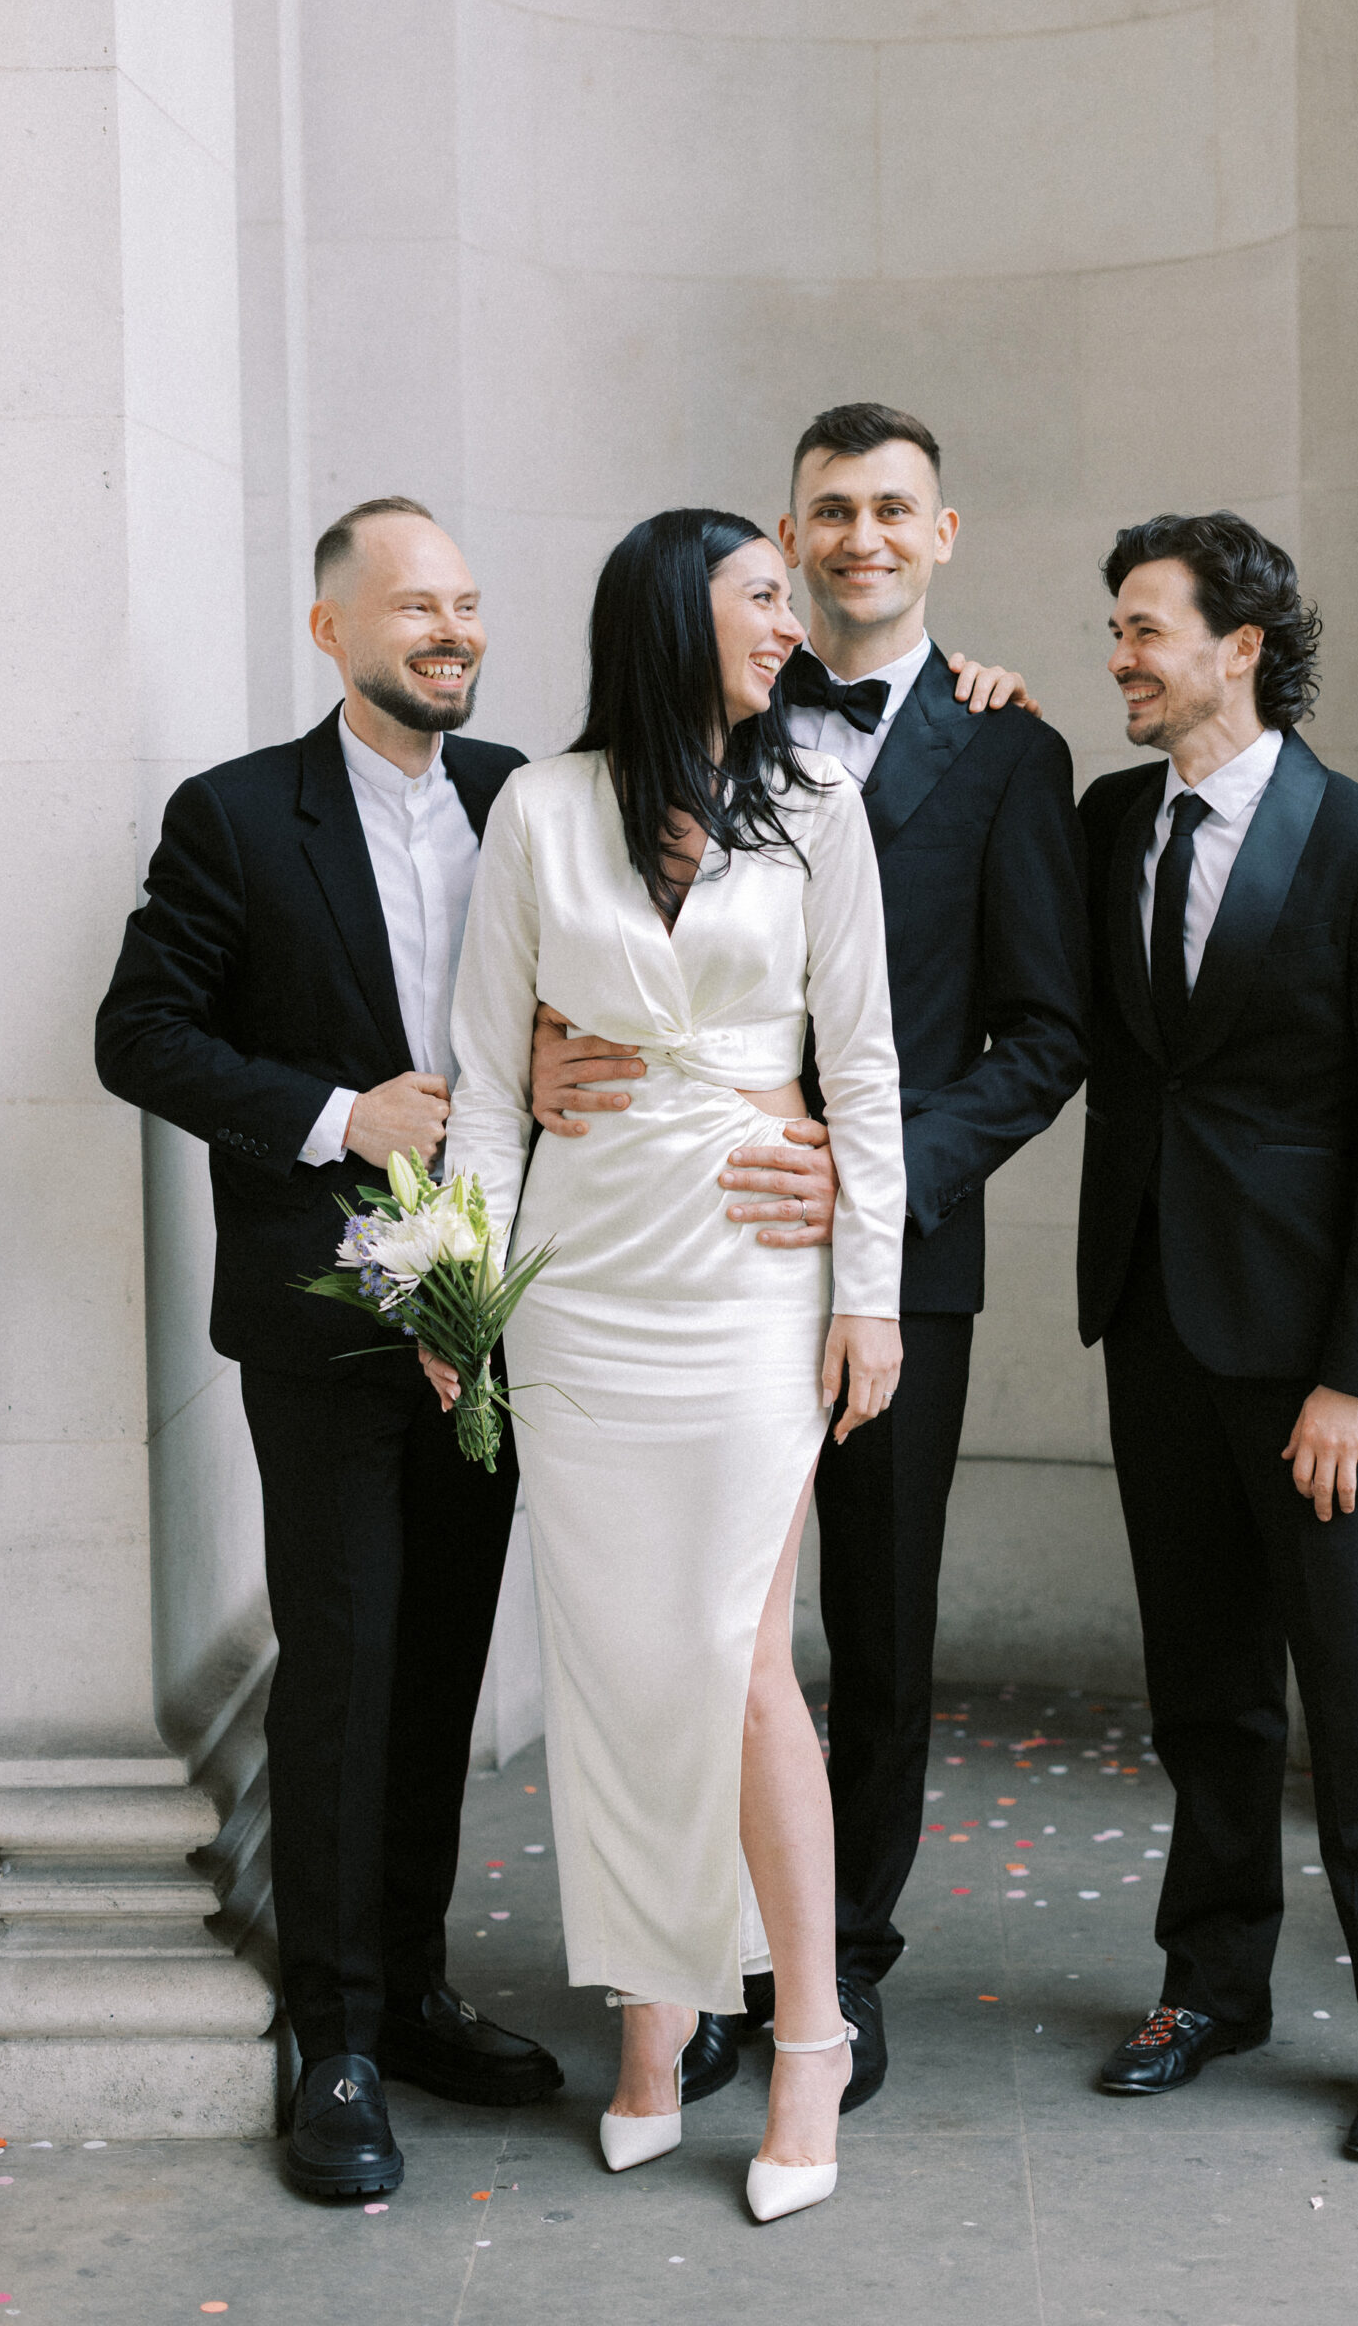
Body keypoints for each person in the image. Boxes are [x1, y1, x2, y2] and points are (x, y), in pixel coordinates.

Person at [529, 405, 1090, 2108]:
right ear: (785, 542)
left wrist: (872, 1177)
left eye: (890, 510)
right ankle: (706, 1971)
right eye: (825, 515)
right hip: (678, 1265)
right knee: (705, 1629)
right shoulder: (662, 759)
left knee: (880, 1621)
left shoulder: (1008, 749)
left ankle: (837, 1967)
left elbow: (1046, 1033)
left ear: (942, 535)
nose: (857, 540)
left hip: (885, 1257)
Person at [432, 506, 906, 2223]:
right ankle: (651, 2024)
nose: (791, 625)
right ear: (670, 614)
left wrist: (876, 1294)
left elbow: (861, 1068)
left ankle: (805, 2042)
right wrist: (463, 1311)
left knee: (739, 1658)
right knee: (618, 1669)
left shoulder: (820, 801)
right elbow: (488, 1083)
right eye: (761, 599)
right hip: (581, 1293)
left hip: (753, 1287)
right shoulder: (540, 810)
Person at [94, 498, 564, 2202]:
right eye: (413, 606)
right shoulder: (233, 818)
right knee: (347, 1661)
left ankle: (417, 1985)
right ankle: (336, 2038)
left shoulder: (531, 793)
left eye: (467, 603)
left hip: (495, 1310)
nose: (450, 631)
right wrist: (334, 1115)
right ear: (332, 632)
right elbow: (137, 1033)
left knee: (443, 1660)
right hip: (326, 1318)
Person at [1075, 511, 1358, 2161]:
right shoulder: (1112, 820)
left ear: (1240, 647)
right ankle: (1213, 1980)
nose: (1122, 655)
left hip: (1312, 1364)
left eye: (1144, 630)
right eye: (1112, 630)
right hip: (1155, 1328)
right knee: (1205, 1689)